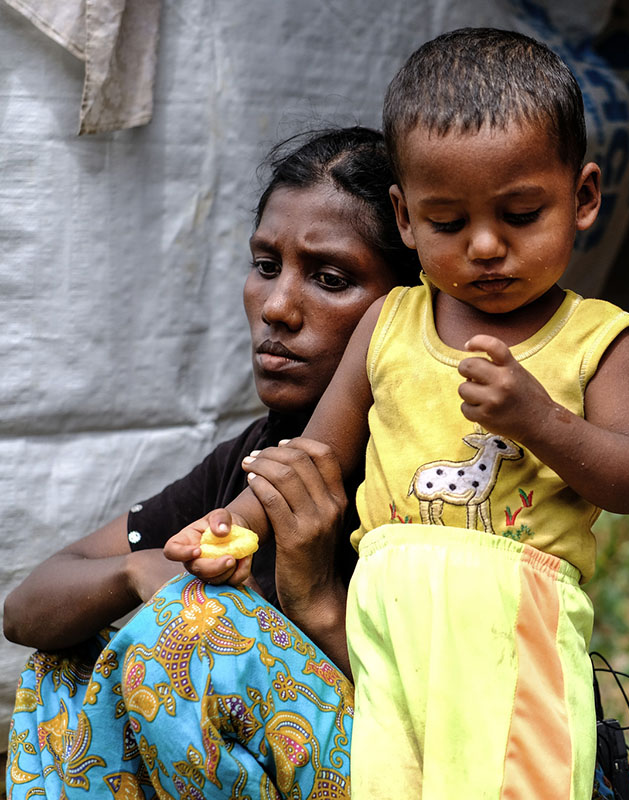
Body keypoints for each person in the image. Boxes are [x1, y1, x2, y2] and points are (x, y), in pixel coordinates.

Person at [166, 29, 629, 800]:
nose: (487, 246)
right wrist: (231, 523)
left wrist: (539, 420)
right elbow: (319, 452)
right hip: (383, 622)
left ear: (584, 199)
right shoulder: (391, 323)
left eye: (522, 214)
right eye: (448, 223)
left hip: (515, 626)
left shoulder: (597, 338)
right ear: (404, 219)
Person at [4, 126, 420, 799]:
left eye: (331, 279)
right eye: (265, 265)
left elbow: (443, 725)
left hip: (405, 773)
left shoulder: (434, 474)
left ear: (405, 307)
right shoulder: (254, 460)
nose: (279, 307)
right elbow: (27, 606)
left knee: (196, 624)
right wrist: (147, 568)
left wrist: (311, 594)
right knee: (69, 658)